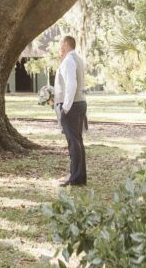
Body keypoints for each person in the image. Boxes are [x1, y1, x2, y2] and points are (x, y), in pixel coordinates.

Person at [54, 34, 87, 187]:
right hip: (80, 103)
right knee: (78, 141)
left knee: (73, 143)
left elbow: (71, 85)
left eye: (61, 44)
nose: (60, 47)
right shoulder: (77, 59)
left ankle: (75, 178)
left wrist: (65, 107)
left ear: (66, 45)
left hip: (72, 106)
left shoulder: (68, 61)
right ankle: (79, 176)